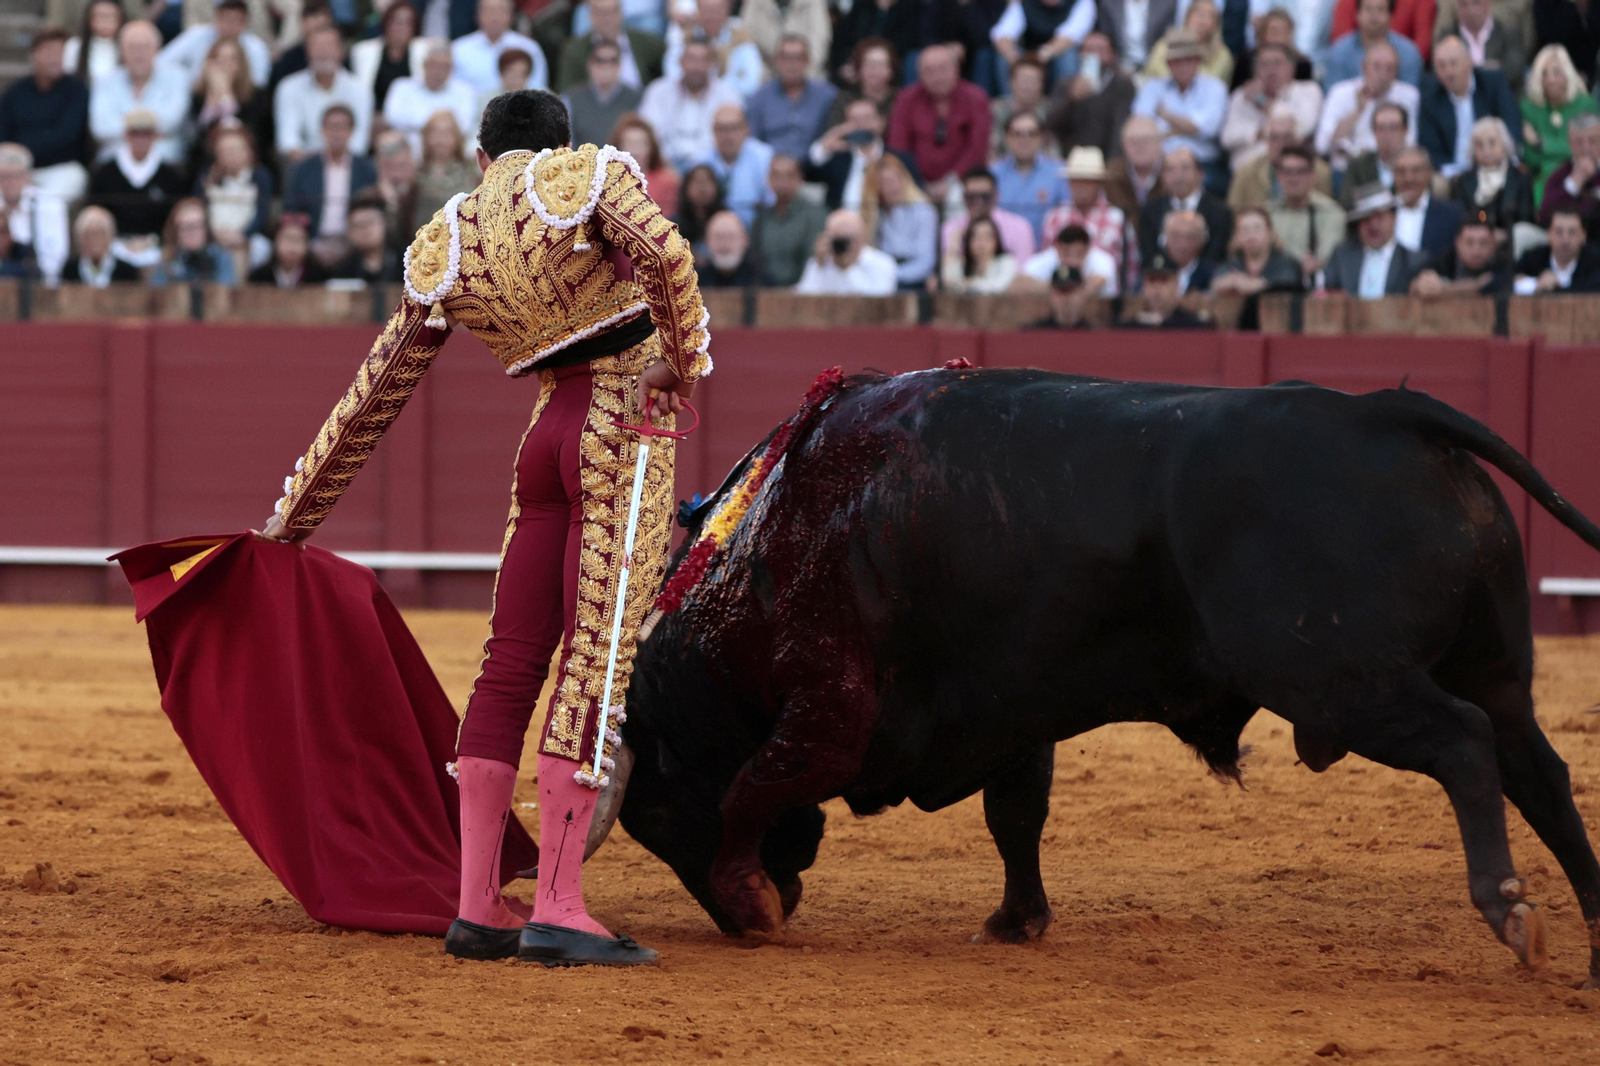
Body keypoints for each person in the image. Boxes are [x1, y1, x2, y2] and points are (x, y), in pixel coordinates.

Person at [258, 90, 708, 968]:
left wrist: (288, 523)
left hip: (542, 442)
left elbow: (372, 397)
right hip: (617, 427)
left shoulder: (450, 236)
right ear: (560, 144)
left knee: (509, 661)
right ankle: (558, 906)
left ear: (480, 156)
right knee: (595, 655)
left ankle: (476, 905)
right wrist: (680, 364)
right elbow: (666, 252)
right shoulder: (584, 176)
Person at [887, 45, 991, 204]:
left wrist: (951, 181)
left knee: (957, 199)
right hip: (914, 182)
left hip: (963, 182)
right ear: (919, 75)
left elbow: (977, 148)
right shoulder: (906, 100)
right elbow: (899, 147)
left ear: (956, 69)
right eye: (929, 71)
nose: (937, 77)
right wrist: (918, 182)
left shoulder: (976, 98)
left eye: (943, 69)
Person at [0, 27, 89, 205]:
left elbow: (67, 136)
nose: (55, 58)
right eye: (49, 51)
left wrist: (22, 147)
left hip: (60, 168)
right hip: (16, 168)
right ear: (33, 54)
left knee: (66, 185)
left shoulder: (76, 91)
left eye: (61, 52)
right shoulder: (15, 92)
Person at [88, 108, 186, 263]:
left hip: (158, 251)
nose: (140, 139)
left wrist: (153, 241)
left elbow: (175, 216)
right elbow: (96, 211)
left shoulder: (170, 176)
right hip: (113, 250)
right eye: (135, 133)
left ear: (155, 136)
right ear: (126, 135)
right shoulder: (105, 174)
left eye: (146, 133)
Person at [1416, 35, 1520, 178]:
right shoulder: (1430, 97)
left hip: (1494, 164)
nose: (1448, 72)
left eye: (1453, 63)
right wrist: (1455, 174)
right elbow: (1430, 148)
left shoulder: (1492, 83)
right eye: (1441, 66)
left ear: (1469, 62)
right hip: (1452, 174)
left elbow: (1511, 125)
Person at [638, 38, 745, 173]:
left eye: (703, 60)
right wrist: (665, 165)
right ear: (681, 62)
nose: (696, 67)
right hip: (664, 166)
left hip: (712, 170)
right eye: (691, 59)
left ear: (712, 64)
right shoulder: (658, 91)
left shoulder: (728, 95)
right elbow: (648, 132)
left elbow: (735, 135)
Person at [90, 20, 189, 164]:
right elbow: (101, 128)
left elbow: (172, 121)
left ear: (157, 49)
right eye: (132, 47)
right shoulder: (105, 81)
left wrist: (126, 128)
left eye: (145, 47)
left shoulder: (177, 77)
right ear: (121, 51)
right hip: (113, 161)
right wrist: (150, 129)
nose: (139, 54)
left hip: (166, 160)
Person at [282, 105, 377, 257]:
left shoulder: (366, 170)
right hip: (312, 242)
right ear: (323, 130)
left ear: (351, 131)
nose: (336, 133)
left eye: (342, 127)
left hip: (354, 244)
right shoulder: (304, 169)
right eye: (332, 127)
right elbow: (292, 208)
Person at [1315, 40, 1420, 175]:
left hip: (1391, 169)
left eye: (1389, 68)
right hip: (1346, 170)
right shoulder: (1340, 92)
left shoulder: (1409, 95)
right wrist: (1358, 111)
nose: (1383, 74)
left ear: (1397, 72)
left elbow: (1410, 142)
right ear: (1363, 67)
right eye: (1377, 67)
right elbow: (1322, 145)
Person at [274, 23, 373, 166]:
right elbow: (288, 141)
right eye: (317, 47)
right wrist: (316, 166)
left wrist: (333, 162)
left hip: (348, 164)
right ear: (307, 51)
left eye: (329, 46)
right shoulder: (288, 87)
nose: (323, 52)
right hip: (304, 165)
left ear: (341, 51)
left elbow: (359, 142)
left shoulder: (360, 89)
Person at [1130, 30, 1229, 168]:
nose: (1182, 67)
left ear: (1198, 61)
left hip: (1202, 163)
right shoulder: (1152, 87)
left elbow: (1207, 130)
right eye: (1176, 62)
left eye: (1188, 60)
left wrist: (1166, 116)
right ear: (1168, 64)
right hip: (1159, 162)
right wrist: (1187, 127)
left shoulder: (1215, 87)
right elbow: (1141, 127)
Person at [1219, 42, 1322, 172]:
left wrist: (1262, 102)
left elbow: (1302, 128)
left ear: (1292, 68)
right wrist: (1259, 133)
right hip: (1247, 171)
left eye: (1277, 63)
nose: (1271, 70)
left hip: (1291, 170)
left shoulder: (1308, 90)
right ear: (1255, 70)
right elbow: (1227, 138)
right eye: (1265, 64)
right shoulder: (1241, 96)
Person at [1520, 45, 1598, 204]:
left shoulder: (1586, 105)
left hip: (1584, 176)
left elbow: (1590, 150)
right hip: (1541, 181)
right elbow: (1529, 156)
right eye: (1544, 74)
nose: (1551, 80)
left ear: (1568, 74)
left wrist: (1540, 143)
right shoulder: (1528, 108)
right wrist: (1562, 151)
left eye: (1557, 72)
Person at [1323, 183, 1432, 295]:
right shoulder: (1342, 256)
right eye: (1366, 219)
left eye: (1379, 217)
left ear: (1394, 218)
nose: (1373, 225)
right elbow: (1324, 289)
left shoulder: (1413, 261)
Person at [746, 34, 837, 164]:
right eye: (786, 58)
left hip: (815, 168)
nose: (791, 64)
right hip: (770, 168)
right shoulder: (759, 99)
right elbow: (753, 143)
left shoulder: (827, 96)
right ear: (776, 61)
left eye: (797, 58)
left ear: (808, 61)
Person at [1045, 31, 1136, 161]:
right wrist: (1071, 99)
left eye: (1101, 50)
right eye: (1089, 50)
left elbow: (1120, 128)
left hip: (1107, 160)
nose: (1094, 55)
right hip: (1069, 159)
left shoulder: (1122, 86)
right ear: (1080, 54)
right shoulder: (1065, 85)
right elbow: (1051, 124)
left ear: (1112, 55)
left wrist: (1114, 163)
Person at [1210, 206, 1306, 323]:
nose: (1251, 235)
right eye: (1245, 230)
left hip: (1278, 323)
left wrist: (1257, 285)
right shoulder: (1231, 264)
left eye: (1257, 228)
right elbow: (1215, 283)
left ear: (1270, 233)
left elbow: (1287, 286)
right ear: (1237, 236)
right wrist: (1228, 283)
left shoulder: (1287, 264)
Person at [1138, 145, 1231, 266]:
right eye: (1170, 170)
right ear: (1162, 177)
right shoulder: (1151, 211)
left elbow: (1216, 256)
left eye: (1185, 168)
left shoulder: (1220, 212)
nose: (1178, 176)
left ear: (1201, 174)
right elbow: (1150, 256)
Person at [196, 124, 272, 270]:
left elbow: (262, 212)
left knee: (260, 248)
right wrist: (213, 233)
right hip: (214, 236)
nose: (230, 156)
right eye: (224, 151)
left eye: (235, 150)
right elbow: (198, 209)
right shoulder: (206, 177)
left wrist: (243, 235)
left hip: (247, 237)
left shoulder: (261, 177)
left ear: (249, 152)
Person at [1228, 105, 1335, 209]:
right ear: (1266, 140)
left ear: (1298, 140)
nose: (1280, 144)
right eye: (1274, 137)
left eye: (1286, 137)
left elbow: (1326, 211)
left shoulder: (1319, 172)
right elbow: (1233, 211)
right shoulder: (1247, 172)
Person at [1040, 145, 1126, 273]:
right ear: (1069, 183)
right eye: (1076, 180)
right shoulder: (1054, 216)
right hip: (1062, 282)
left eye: (1087, 181)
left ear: (1099, 183)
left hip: (1105, 284)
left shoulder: (1116, 218)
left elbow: (1129, 264)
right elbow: (1046, 263)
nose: (1081, 186)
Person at [383, 40, 478, 153]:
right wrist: (441, 125)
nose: (438, 71)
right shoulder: (402, 86)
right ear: (424, 64)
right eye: (434, 64)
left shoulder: (465, 91)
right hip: (409, 150)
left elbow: (464, 126)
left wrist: (420, 124)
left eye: (444, 66)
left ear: (451, 68)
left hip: (448, 151)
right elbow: (393, 117)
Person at [1267, 142, 1348, 273]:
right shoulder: (1267, 213)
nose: (1293, 178)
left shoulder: (1332, 212)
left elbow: (1327, 256)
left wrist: (1313, 262)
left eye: (1300, 171)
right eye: (1287, 171)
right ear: (1278, 176)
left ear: (1312, 176)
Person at [992, 112, 1069, 246]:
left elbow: (1069, 215)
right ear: (1007, 137)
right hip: (1003, 253)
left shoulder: (1060, 173)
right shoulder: (993, 173)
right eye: (1017, 134)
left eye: (1032, 134)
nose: (1025, 140)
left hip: (1048, 252)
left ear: (1042, 137)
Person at [662, 0, 765, 100]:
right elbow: (672, 74)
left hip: (730, 103)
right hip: (689, 100)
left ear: (728, 10)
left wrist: (715, 94)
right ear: (698, 10)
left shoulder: (741, 37)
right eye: (707, 10)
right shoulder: (684, 36)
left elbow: (750, 82)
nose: (712, 16)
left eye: (717, 10)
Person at [1449, 116, 1533, 237]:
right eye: (1480, 145)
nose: (1486, 150)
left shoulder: (1521, 178)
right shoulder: (1463, 181)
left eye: (1492, 143)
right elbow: (1459, 220)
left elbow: (1526, 220)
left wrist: (1505, 235)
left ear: (1504, 144)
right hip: (1475, 240)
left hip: (1511, 241)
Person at [557, 0, 666, 92]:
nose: (607, 18)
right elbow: (567, 93)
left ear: (621, 13)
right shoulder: (574, 50)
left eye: (612, 11)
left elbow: (664, 78)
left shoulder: (646, 43)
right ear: (590, 15)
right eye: (601, 12)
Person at [157, 0, 270, 88]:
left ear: (245, 23)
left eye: (236, 21)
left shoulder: (257, 48)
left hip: (242, 102)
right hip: (197, 97)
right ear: (217, 19)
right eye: (226, 20)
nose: (230, 26)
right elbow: (162, 61)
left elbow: (259, 84)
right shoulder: (197, 35)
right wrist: (193, 81)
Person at [0, 143, 70, 284]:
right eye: (5, 176)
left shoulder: (50, 205)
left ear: (27, 176)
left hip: (38, 282)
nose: (10, 183)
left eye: (17, 176)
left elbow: (56, 256)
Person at [752, 153, 825, 285]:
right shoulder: (761, 218)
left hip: (805, 290)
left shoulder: (815, 215)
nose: (783, 182)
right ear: (769, 179)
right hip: (765, 291)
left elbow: (813, 259)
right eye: (777, 176)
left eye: (789, 175)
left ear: (800, 178)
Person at [450, 0, 549, 94]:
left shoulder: (529, 48)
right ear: (478, 15)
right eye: (490, 11)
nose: (495, 18)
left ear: (511, 16)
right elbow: (452, 91)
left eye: (501, 11)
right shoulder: (458, 49)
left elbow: (538, 87)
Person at [991, 0, 1097, 86]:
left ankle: (1062, 101)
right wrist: (1015, 58)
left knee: (1067, 55)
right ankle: (1010, 101)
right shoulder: (1024, 3)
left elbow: (1071, 35)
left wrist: (1045, 53)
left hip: (1056, 55)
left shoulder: (1081, 2)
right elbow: (1002, 34)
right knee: (1003, 56)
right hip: (1029, 55)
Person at [871, 152, 937, 289]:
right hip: (879, 278)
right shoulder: (874, 213)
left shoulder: (923, 210)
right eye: (886, 182)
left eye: (898, 178)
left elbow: (925, 262)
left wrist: (891, 275)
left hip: (911, 281)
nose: (894, 186)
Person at [1322, 0, 1424, 88]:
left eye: (1380, 9)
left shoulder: (1408, 53)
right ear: (1357, 14)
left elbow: (1410, 96)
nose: (1374, 15)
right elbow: (1333, 95)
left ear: (1391, 15)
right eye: (1368, 9)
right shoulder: (1338, 53)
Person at [700, 105, 774, 226]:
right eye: (722, 129)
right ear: (713, 131)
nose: (728, 135)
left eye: (734, 128)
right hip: (711, 228)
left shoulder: (765, 158)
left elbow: (772, 204)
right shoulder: (700, 161)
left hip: (757, 228)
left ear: (746, 129)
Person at [941, 167, 1036, 261]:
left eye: (985, 196)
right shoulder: (951, 228)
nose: (978, 202)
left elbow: (1024, 267)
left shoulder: (1019, 227)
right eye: (971, 197)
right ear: (963, 197)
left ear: (996, 196)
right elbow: (948, 267)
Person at [796, 207, 898, 293]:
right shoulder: (820, 262)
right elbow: (804, 299)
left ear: (863, 238)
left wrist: (847, 269)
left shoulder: (883, 263)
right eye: (839, 240)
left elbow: (878, 301)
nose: (844, 245)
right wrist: (819, 268)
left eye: (849, 239)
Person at [565, 40, 644, 149]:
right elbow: (567, 143)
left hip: (623, 159)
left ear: (620, 65)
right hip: (581, 158)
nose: (606, 66)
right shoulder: (572, 99)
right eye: (599, 60)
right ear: (589, 64)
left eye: (613, 60)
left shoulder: (636, 98)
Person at [350, 1, 427, 114]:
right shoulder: (362, 52)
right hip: (371, 116)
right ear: (386, 23)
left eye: (407, 23)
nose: (401, 27)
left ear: (415, 27)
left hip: (410, 117)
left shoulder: (424, 51)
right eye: (397, 21)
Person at [1411, 214, 1512, 295]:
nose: (1476, 250)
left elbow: (1494, 287)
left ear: (1493, 244)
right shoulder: (1445, 260)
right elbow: (1415, 285)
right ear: (1458, 242)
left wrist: (1445, 288)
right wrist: (1422, 285)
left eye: (1483, 243)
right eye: (1469, 242)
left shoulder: (1503, 263)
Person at [1392, 145, 1464, 259]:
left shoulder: (1451, 214)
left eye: (1415, 171)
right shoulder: (1384, 213)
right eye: (1401, 172)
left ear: (1429, 173)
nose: (1408, 178)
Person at [1436, 0, 1525, 89]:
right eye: (1464, 4)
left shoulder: (1507, 33)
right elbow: (1438, 71)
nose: (1470, 10)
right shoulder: (1447, 37)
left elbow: (1514, 70)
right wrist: (1489, 68)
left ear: (1488, 4)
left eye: (1476, 3)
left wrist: (1466, 69)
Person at [1340, 101, 1416, 204]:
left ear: (1405, 130)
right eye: (1381, 128)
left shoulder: (1417, 168)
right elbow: (1347, 204)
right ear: (1374, 131)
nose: (1387, 135)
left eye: (1393, 128)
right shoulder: (1358, 166)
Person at [1143, 0, 1234, 85]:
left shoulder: (1223, 56)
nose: (1202, 21)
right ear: (1188, 16)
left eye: (1209, 16)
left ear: (1216, 23)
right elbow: (1149, 79)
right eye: (1198, 14)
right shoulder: (1166, 45)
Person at [1016, 221, 1118, 295]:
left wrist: (1061, 289)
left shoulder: (1103, 260)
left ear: (1087, 250)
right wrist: (1058, 288)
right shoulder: (1046, 259)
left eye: (1079, 253)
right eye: (1066, 253)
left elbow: (1096, 284)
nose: (1072, 260)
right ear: (1058, 248)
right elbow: (1018, 283)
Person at [151, 195, 236, 284]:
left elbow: (226, 288)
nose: (191, 233)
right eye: (184, 226)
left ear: (207, 229)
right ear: (175, 231)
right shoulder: (167, 258)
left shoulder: (221, 256)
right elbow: (157, 289)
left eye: (196, 225)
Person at [1538, 112, 1600, 234]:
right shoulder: (1560, 175)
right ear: (1570, 143)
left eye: (1592, 141)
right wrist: (1574, 182)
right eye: (1579, 142)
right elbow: (1545, 218)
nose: (1586, 148)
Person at [1513, 207, 1600, 292]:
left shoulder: (1595, 261)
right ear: (1548, 234)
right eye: (1559, 232)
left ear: (1583, 235)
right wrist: (1536, 283)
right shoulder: (1533, 258)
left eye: (1572, 232)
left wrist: (1557, 288)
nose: (1565, 240)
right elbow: (1510, 281)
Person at [743, 0, 833, 80]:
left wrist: (798, 74)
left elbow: (819, 44)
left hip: (808, 76)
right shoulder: (754, 2)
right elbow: (747, 41)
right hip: (765, 76)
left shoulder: (815, 2)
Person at [1120, 249, 1212, 327]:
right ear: (1144, 285)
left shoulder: (1193, 325)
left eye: (1164, 280)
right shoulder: (1130, 326)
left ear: (1176, 284)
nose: (1157, 287)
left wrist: (1162, 323)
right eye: (1152, 280)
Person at [415, 112, 478, 225]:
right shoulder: (415, 173)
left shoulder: (472, 171)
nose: (441, 139)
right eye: (435, 133)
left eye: (447, 133)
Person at [613, 113, 679, 215]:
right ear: (618, 147)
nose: (635, 150)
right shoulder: (607, 181)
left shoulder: (668, 181)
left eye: (640, 143)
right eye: (629, 143)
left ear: (651, 148)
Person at [1104, 114, 1165, 224]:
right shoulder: (1111, 174)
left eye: (1146, 141)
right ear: (1123, 145)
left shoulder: (1171, 171)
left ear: (1159, 143)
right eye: (1133, 141)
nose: (1139, 147)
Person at [825, 37, 898, 128]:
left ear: (892, 70)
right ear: (858, 68)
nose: (875, 70)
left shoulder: (901, 99)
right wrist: (853, 125)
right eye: (870, 64)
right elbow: (831, 133)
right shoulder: (844, 99)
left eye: (881, 64)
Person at [60, 204, 141, 284]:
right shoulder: (69, 270)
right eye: (89, 235)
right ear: (79, 239)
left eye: (100, 234)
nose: (94, 240)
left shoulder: (127, 272)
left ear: (110, 237)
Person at [1094, 0, 1180, 73]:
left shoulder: (1167, 3)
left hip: (1155, 66)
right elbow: (1106, 36)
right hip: (1119, 67)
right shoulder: (1109, 3)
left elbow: (1168, 37)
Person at [371, 131, 421, 252]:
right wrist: (390, 204)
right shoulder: (369, 198)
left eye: (401, 166)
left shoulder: (424, 193)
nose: (395, 175)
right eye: (388, 167)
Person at [941, 216, 1018, 293]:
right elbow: (949, 282)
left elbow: (1000, 286)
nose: (982, 242)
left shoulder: (1006, 261)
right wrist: (953, 248)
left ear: (997, 240)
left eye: (988, 236)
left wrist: (971, 283)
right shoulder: (964, 264)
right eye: (976, 236)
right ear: (968, 241)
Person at [246, 213, 328, 285]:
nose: (292, 247)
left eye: (298, 240)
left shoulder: (318, 277)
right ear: (275, 242)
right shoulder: (260, 277)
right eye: (287, 239)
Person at [991, 57, 1050, 156]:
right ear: (1011, 82)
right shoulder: (995, 109)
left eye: (1033, 81)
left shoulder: (1050, 111)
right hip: (1003, 162)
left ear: (1042, 84)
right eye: (1023, 80)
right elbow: (991, 148)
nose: (1028, 86)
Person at [1532, 0, 1600, 83]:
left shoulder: (1594, 6)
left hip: (1588, 69)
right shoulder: (1546, 5)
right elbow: (1548, 39)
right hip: (1556, 66)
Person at [64, 0, 123, 86]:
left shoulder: (126, 47)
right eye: (100, 16)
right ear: (90, 19)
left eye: (109, 16)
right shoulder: (75, 46)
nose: (105, 21)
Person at [1023, 262, 1096, 329]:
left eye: (1070, 290)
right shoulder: (1034, 332)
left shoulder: (1094, 333)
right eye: (1060, 291)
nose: (1066, 297)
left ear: (1082, 292)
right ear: (1051, 293)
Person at [673, 161, 725, 255]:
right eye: (696, 181)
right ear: (686, 187)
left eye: (707, 181)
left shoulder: (727, 222)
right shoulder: (674, 226)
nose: (702, 187)